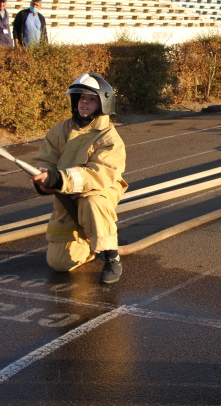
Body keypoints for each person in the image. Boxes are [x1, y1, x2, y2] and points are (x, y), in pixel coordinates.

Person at [30, 73, 128, 284]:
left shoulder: (109, 137)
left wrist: (59, 178)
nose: (84, 102)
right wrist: (44, 177)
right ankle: (89, 243)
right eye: (81, 98)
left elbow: (99, 174)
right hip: (67, 195)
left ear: (103, 102)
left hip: (100, 191)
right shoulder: (61, 130)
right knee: (59, 264)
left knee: (92, 203)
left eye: (91, 99)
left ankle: (112, 256)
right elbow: (46, 158)